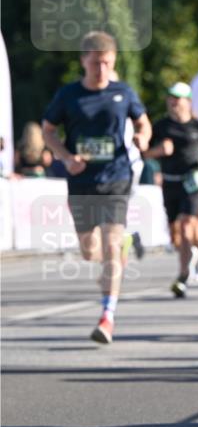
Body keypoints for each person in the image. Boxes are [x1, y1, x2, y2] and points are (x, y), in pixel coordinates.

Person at [42, 31, 151, 343]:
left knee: (110, 247)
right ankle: (125, 243)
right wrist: (65, 157)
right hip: (81, 180)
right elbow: (48, 130)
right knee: (90, 251)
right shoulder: (68, 95)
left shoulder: (124, 92)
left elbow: (143, 122)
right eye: (94, 64)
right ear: (83, 62)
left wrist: (142, 137)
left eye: (106, 63)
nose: (101, 70)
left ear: (113, 61)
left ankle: (107, 316)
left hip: (116, 177)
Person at [145, 82, 198, 297]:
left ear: (188, 101)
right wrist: (158, 150)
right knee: (176, 234)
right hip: (170, 182)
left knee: (187, 226)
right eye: (171, 98)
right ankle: (191, 258)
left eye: (178, 98)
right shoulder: (160, 127)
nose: (174, 102)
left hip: (192, 182)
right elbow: (145, 153)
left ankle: (184, 274)